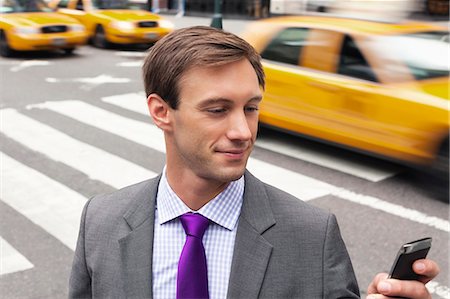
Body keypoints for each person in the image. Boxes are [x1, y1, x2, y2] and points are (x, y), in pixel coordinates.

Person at [69, 26, 439, 298]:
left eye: (251, 108)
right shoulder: (100, 221)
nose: (243, 131)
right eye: (217, 110)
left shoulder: (313, 235)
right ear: (162, 112)